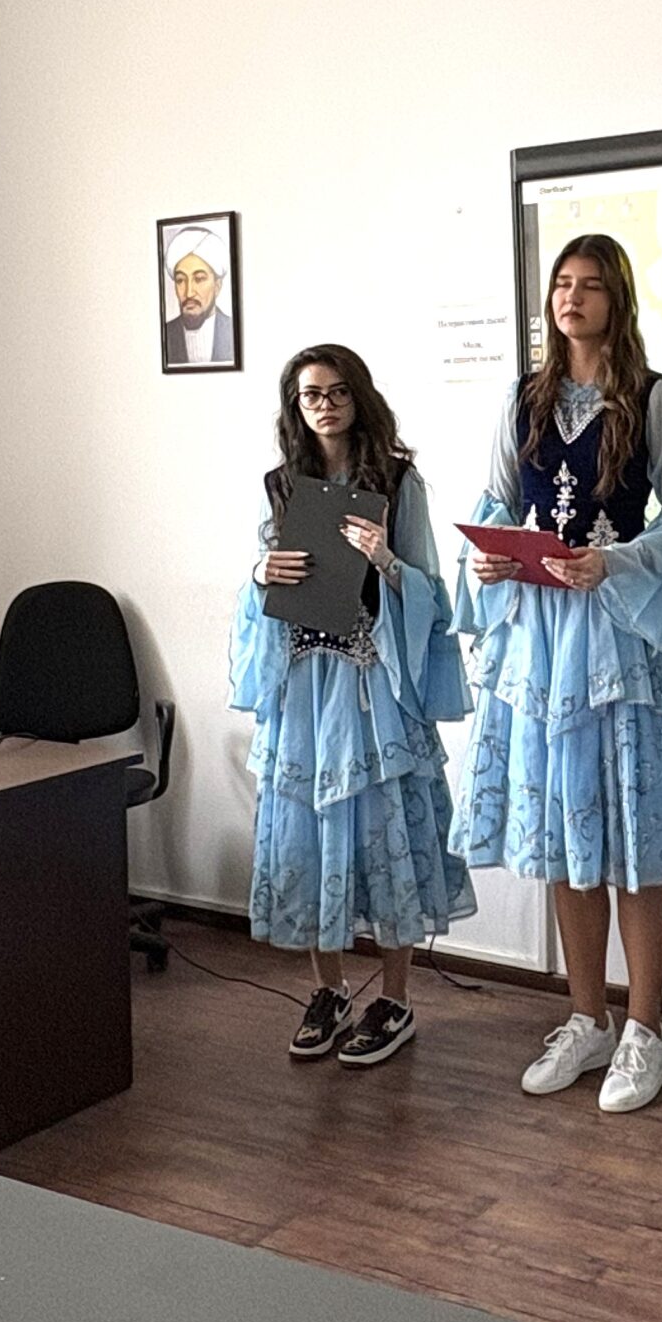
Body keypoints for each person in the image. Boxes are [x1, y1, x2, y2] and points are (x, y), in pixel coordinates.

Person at [453, 232, 662, 1111]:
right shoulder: (523, 398)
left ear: (617, 299)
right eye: (561, 284)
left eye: (588, 285)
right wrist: (490, 559)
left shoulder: (653, 398)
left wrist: (612, 562)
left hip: (618, 636)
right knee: (564, 837)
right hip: (542, 640)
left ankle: (646, 1029)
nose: (570, 298)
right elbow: (498, 503)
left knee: (634, 838)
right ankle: (586, 1017)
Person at [232, 344, 474, 1065]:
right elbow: (258, 588)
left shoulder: (397, 481)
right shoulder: (281, 485)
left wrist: (386, 562)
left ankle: (395, 998)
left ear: (358, 397)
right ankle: (328, 988)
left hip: (372, 683)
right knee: (308, 833)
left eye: (338, 392)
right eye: (311, 394)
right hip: (305, 683)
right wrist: (260, 572)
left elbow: (431, 592)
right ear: (295, 406)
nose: (326, 405)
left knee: (384, 828)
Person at [163, 224, 235, 366]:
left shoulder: (231, 329)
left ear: (217, 286)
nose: (189, 292)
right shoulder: (165, 334)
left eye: (199, 279)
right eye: (180, 280)